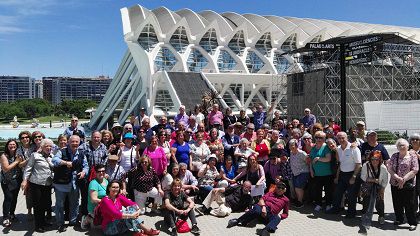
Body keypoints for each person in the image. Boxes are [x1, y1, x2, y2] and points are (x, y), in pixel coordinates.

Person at [53, 135, 89, 232]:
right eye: (72, 141)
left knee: (75, 203)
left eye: (76, 142)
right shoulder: (62, 151)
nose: (74, 143)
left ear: (79, 143)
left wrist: (83, 172)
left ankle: (73, 221)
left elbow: (86, 166)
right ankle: (60, 223)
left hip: (74, 184)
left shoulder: (81, 154)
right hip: (61, 184)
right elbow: (54, 160)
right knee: (60, 204)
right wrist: (65, 162)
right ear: (68, 142)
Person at [21, 139, 55, 233]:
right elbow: (28, 169)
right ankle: (38, 225)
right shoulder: (35, 155)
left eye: (50, 146)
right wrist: (24, 180)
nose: (48, 148)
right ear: (42, 147)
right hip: (36, 184)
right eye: (46, 146)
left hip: (47, 184)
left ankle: (43, 221)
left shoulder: (52, 156)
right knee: (38, 205)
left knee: (45, 204)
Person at [327, 132, 362, 218]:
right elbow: (340, 164)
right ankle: (335, 209)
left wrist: (354, 177)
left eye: (343, 138)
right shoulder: (338, 149)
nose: (341, 140)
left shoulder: (354, 148)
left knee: (351, 195)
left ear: (347, 138)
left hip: (352, 174)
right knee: (337, 193)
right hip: (343, 175)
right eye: (339, 138)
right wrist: (337, 176)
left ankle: (351, 213)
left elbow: (359, 164)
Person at [387, 138, 418, 231]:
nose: (401, 146)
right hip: (395, 182)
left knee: (409, 204)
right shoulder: (394, 156)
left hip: (408, 183)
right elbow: (389, 168)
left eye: (403, 145)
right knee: (397, 202)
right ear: (397, 147)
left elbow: (415, 169)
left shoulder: (412, 156)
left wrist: (403, 179)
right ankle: (399, 219)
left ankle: (412, 222)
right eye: (399, 145)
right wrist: (397, 178)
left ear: (408, 146)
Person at [360, 151, 388, 231]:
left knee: (380, 201)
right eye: (372, 159)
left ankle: (381, 216)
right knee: (366, 201)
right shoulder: (366, 165)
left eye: (377, 159)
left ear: (380, 159)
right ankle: (365, 215)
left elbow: (385, 180)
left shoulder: (383, 167)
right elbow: (363, 177)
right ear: (370, 159)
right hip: (368, 186)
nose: (374, 161)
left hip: (379, 186)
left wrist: (382, 189)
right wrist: (373, 180)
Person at [309, 131, 333, 212]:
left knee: (328, 190)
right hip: (317, 174)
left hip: (327, 174)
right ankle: (318, 204)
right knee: (317, 190)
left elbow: (328, 159)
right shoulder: (313, 148)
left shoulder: (326, 147)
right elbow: (311, 160)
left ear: (324, 139)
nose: (319, 139)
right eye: (317, 137)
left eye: (321, 138)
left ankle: (328, 204)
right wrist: (311, 170)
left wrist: (318, 158)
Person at [1, 139, 23, 227]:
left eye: (14, 144)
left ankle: (12, 214)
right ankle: (6, 217)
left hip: (16, 180)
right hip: (6, 181)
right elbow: (6, 168)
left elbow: (21, 165)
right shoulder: (4, 156)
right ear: (7, 146)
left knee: (14, 198)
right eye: (10, 144)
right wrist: (17, 161)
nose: (12, 146)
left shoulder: (18, 154)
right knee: (8, 198)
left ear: (16, 146)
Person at [16, 131, 34, 219]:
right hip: (26, 174)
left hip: (37, 173)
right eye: (22, 138)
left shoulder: (34, 147)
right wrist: (29, 159)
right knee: (29, 194)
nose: (25, 139)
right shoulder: (19, 150)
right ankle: (29, 212)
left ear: (30, 138)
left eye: (26, 137)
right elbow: (19, 164)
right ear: (20, 140)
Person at [85, 164, 108, 230]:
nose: (101, 173)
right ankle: (89, 218)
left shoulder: (106, 181)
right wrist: (108, 201)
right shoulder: (93, 183)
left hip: (104, 206)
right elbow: (93, 199)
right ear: (95, 172)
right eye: (99, 171)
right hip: (95, 208)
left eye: (103, 171)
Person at [289, 139, 310, 208]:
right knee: (297, 188)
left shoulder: (301, 153)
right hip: (295, 173)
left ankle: (300, 202)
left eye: (293, 145)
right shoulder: (291, 153)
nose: (291, 147)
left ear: (296, 146)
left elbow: (308, 161)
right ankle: (299, 200)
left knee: (298, 188)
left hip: (303, 172)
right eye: (290, 145)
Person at [408, 133, 420, 218]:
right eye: (413, 139)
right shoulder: (407, 150)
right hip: (411, 177)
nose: (415, 141)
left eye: (417, 139)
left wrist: (417, 155)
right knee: (413, 196)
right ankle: (414, 212)